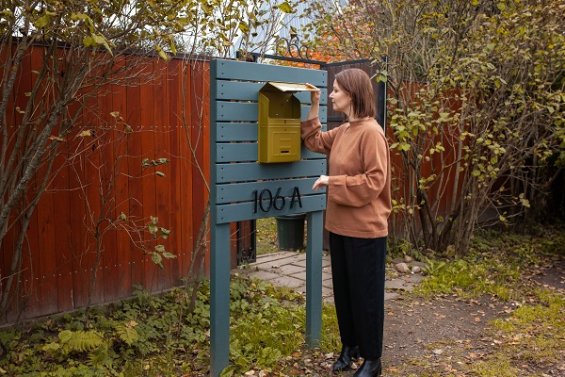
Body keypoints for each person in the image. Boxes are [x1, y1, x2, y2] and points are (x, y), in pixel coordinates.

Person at [301, 69, 391, 377]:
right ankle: (349, 347)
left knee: (366, 297)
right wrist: (312, 105)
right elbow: (313, 140)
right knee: (344, 293)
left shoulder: (371, 132)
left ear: (351, 94)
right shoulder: (344, 131)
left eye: (335, 90)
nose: (331, 95)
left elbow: (374, 182)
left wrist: (331, 181)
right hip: (338, 227)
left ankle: (373, 360)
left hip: (366, 231)